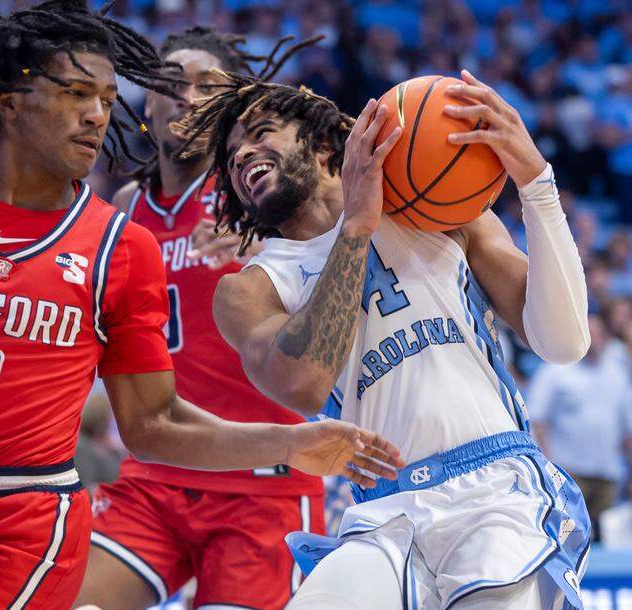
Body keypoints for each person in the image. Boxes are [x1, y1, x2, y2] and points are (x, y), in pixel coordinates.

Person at [0, 3, 403, 609]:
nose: (97, 114)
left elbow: (341, 214)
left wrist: (274, 235)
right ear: (10, 99)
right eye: (76, 93)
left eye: (105, 98)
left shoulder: (252, 200)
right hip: (27, 493)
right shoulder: (115, 209)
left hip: (213, 491)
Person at [181, 56, 592, 609]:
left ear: (326, 144)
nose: (243, 155)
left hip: (495, 485)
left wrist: (536, 185)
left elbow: (564, 343)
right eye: (231, 158)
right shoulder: (251, 288)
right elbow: (303, 382)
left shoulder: (440, 211)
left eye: (260, 135)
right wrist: (356, 225)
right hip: (383, 511)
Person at [75, 28, 326, 610]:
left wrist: (272, 258)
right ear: (147, 102)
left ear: (230, 107)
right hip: (157, 474)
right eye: (171, 83)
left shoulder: (265, 193)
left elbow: (343, 287)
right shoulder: (126, 209)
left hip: (263, 484)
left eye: (206, 84)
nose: (186, 95)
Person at [528, 314, 632, 542]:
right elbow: (537, 420)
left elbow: (627, 428)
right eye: (589, 335)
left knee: (607, 540)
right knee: (568, 538)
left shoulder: (618, 373)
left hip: (608, 473)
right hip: (568, 473)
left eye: (597, 334)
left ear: (605, 337)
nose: (593, 340)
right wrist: (549, 467)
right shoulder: (555, 371)